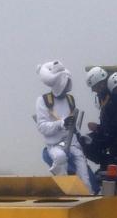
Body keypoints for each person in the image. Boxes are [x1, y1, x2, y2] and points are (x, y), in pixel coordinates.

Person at [35, 60, 94, 193]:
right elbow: (42, 127)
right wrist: (61, 123)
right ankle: (67, 193)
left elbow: (73, 124)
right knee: (60, 158)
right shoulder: (43, 101)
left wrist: (81, 136)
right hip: (55, 145)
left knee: (84, 173)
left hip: (72, 143)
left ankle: (88, 197)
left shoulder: (70, 100)